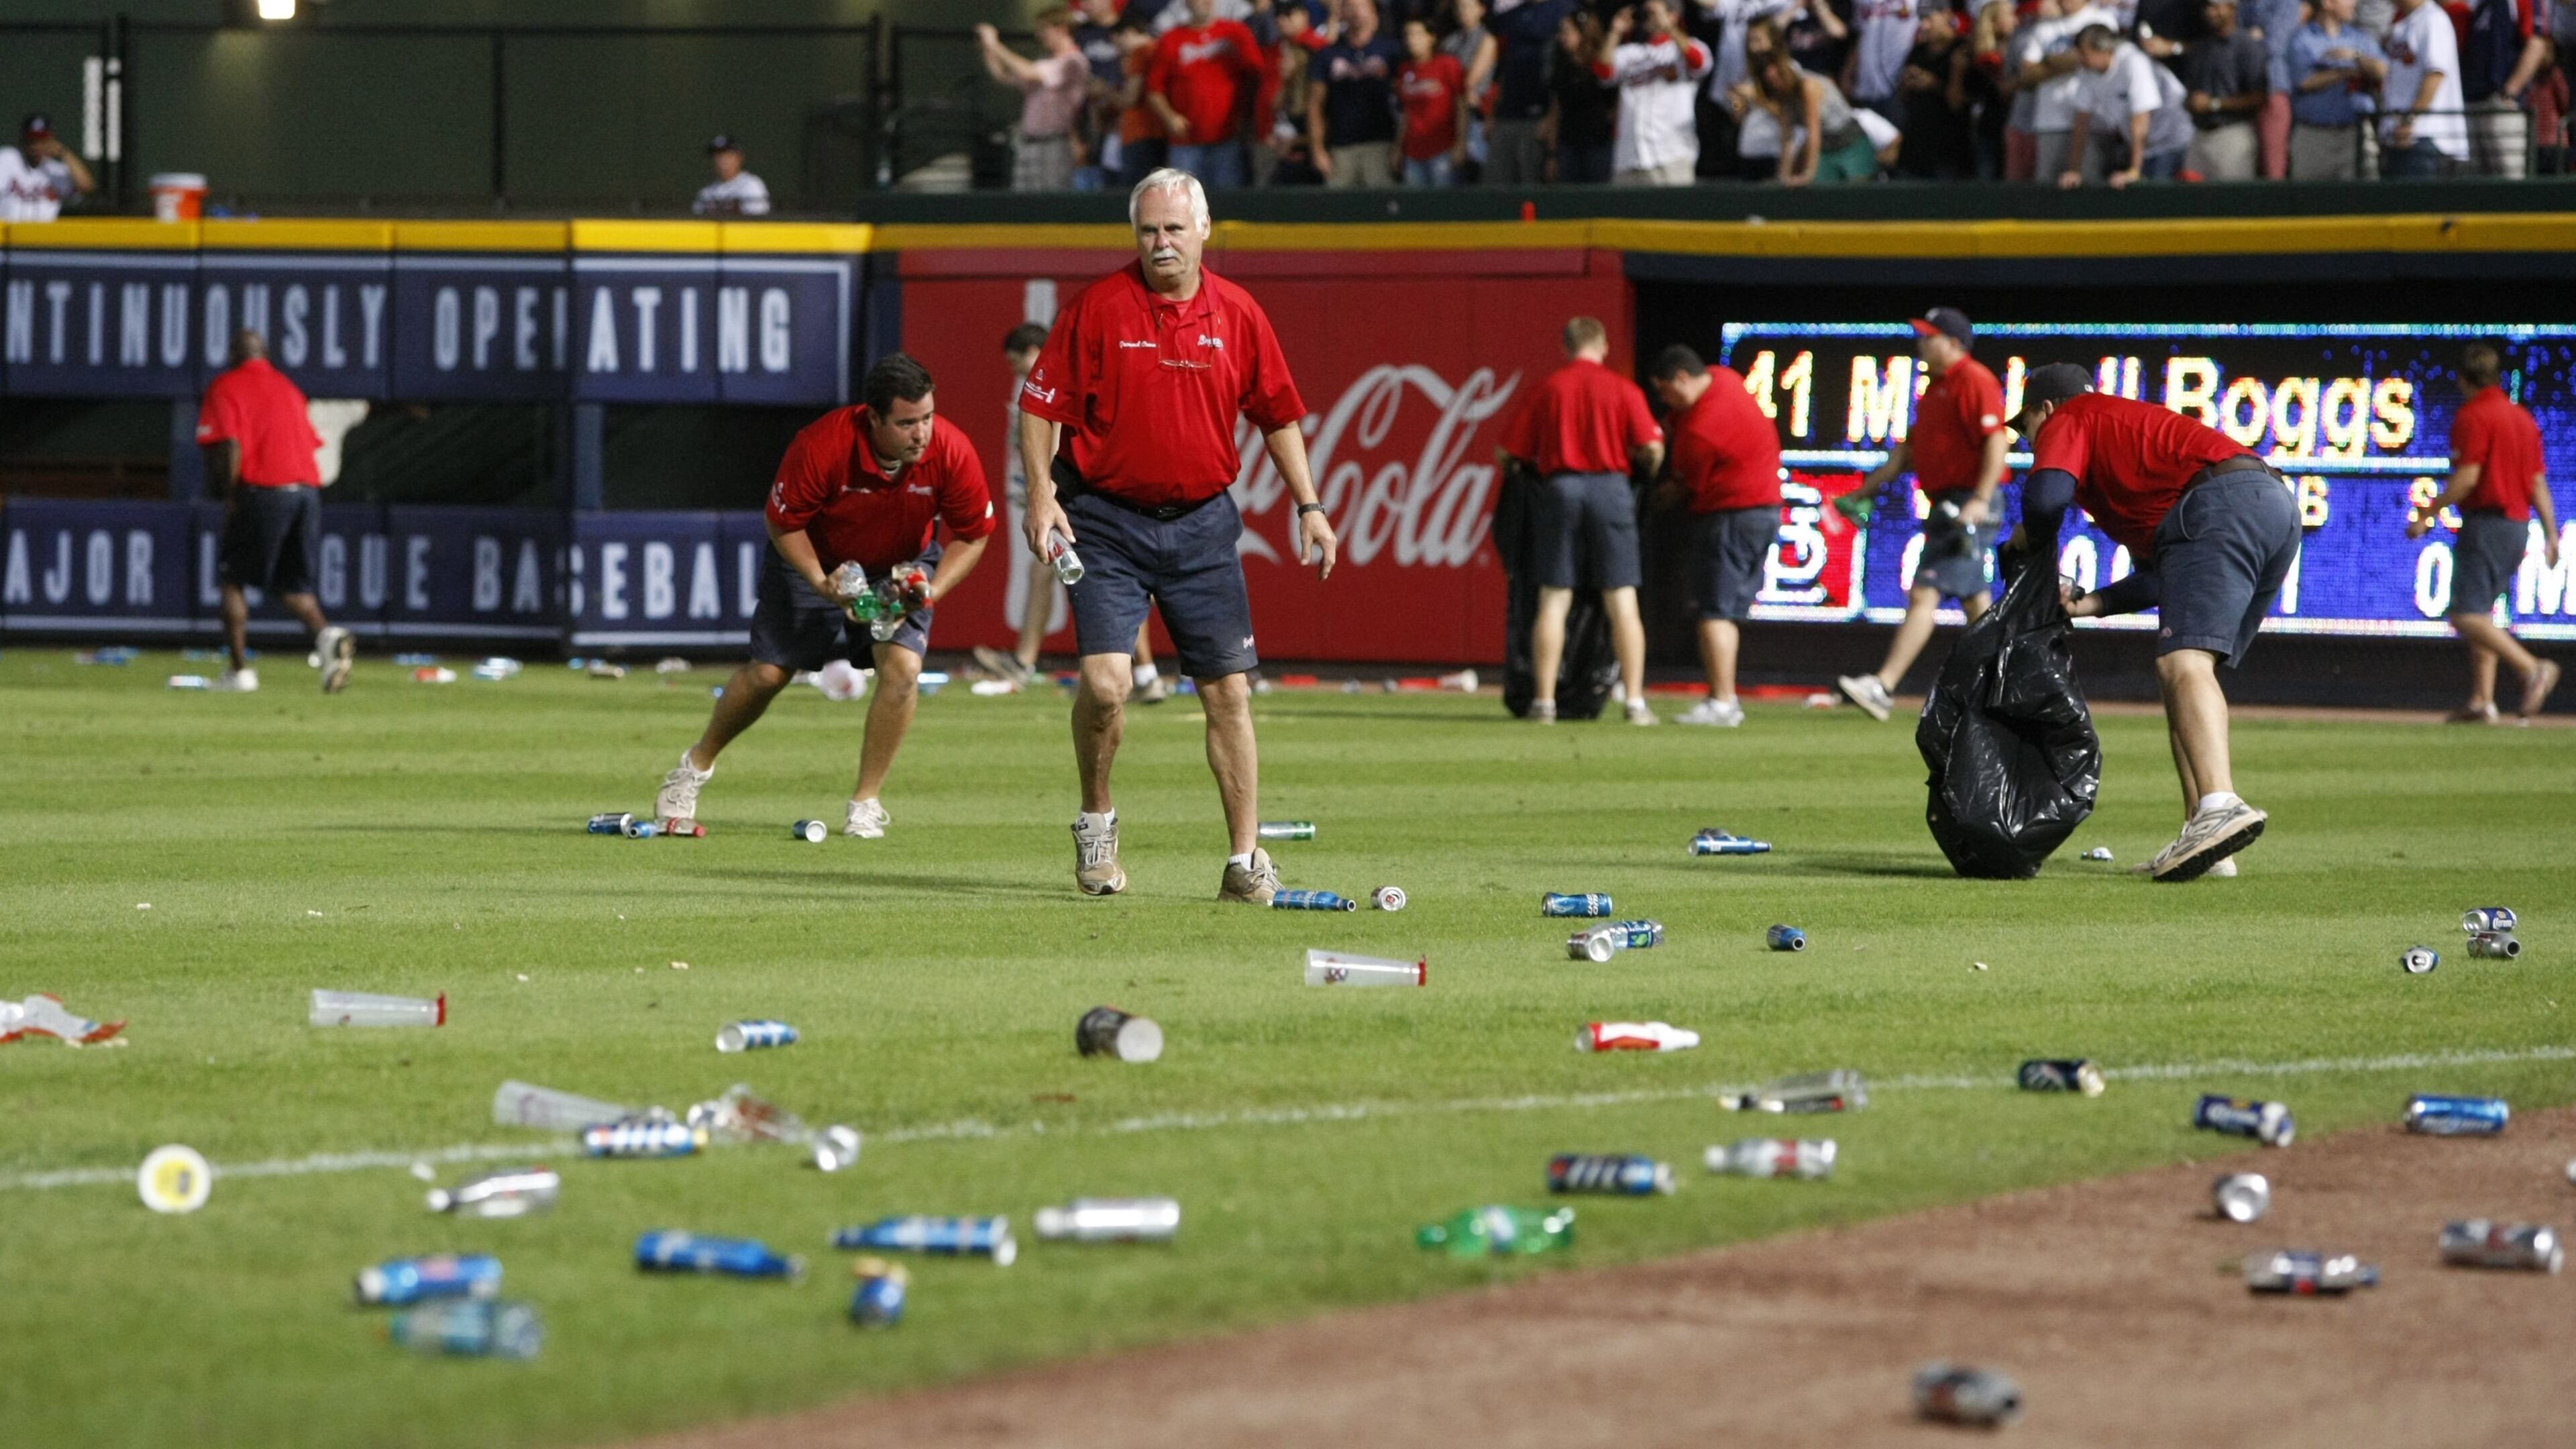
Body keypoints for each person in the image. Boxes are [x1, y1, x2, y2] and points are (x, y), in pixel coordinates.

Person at [1016, 169, 1336, 902]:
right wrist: (1042, 495)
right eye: (1149, 231)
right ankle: (1097, 821)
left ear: (1204, 231)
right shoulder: (1097, 308)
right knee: (1104, 684)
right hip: (1104, 521)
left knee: (1228, 692)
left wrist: (1309, 505)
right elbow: (1038, 407)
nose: (1161, 243)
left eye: (1174, 229)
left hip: (1201, 527)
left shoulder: (1240, 313)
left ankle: (1245, 860)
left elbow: (1278, 414)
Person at [655, 354, 994, 839]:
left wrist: (932, 590)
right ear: (873, 417)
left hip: (901, 566)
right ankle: (694, 767)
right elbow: (783, 522)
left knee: (903, 670)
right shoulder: (823, 445)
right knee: (769, 673)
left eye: (927, 418)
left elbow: (975, 533)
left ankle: (866, 802)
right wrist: (819, 581)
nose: (921, 433)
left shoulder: (950, 449)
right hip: (819, 558)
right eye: (906, 423)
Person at [2006, 362, 2300, 881]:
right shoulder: (2124, 439)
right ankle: (2206, 838)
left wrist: (2023, 542)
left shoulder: (2071, 416)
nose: (2031, 443)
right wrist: (2088, 605)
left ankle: (2220, 804)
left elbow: (2046, 498)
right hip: (2272, 506)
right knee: (2184, 669)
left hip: (2219, 504)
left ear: (2044, 409)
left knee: (2182, 662)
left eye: (2026, 428)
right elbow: (2158, 579)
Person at [977, 325, 1171, 702]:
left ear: (1035, 350)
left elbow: (1061, 443)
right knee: (1056, 574)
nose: (1018, 371)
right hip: (1069, 492)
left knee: (1123, 581)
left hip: (1076, 494)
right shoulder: (1057, 380)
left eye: (1020, 362)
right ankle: (1141, 673)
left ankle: (1147, 673)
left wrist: (1048, 493)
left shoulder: (1059, 382)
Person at [1835, 308, 2009, 722]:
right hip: (1948, 503)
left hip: (1969, 502)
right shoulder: (1936, 389)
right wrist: (1862, 492)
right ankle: (2009, 686)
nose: (1921, 343)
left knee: (1924, 592)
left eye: (1930, 337)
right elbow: (1906, 455)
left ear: (1953, 342)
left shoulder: (1974, 379)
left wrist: (1981, 500)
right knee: (1975, 602)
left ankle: (1884, 685)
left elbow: (1997, 441)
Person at [1497, 316, 1666, 726]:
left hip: (1560, 491)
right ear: (1604, 345)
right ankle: (1636, 703)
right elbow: (1651, 446)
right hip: (1611, 491)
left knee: (1554, 598)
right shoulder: (1623, 389)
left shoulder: (1548, 388)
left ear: (1566, 346)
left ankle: (1544, 702)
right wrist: (1645, 471)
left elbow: (1508, 455)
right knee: (1622, 600)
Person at [2408, 342, 2563, 722]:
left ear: (2463, 379)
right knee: (2482, 612)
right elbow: (2538, 482)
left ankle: (2532, 668)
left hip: (2488, 523)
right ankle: (2482, 701)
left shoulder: (2473, 416)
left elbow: (2467, 478)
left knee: (2464, 615)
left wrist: (2428, 512)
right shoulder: (2522, 418)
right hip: (2516, 526)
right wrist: (2551, 533)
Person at [197, 329, 352, 696]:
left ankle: (240, 673)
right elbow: (311, 443)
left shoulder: (227, 386)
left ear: (235, 353)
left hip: (263, 489)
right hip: (306, 491)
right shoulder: (288, 387)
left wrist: (232, 494)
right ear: (266, 354)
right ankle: (329, 640)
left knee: (233, 578)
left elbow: (231, 443)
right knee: (291, 586)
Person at [1650, 345, 1782, 727]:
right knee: (1725, 612)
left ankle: (1723, 702)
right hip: (1766, 511)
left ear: (1682, 379)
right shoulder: (1725, 378)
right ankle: (1723, 698)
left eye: (1665, 391)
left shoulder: (1699, 430)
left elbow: (1684, 485)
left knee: (1714, 612)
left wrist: (1651, 501)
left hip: (1732, 515)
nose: (1664, 400)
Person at [1148, 0, 1270, 186]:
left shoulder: (1235, 32)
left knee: (1227, 202)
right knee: (1183, 198)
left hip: (1227, 136)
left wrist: (1249, 118)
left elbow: (1257, 74)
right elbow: (1154, 89)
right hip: (1186, 140)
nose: (1206, 3)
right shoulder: (1172, 38)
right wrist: (1169, 117)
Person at [1597, 0, 1716, 185]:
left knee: (1675, 214)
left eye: (1653, 12)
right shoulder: (1631, 53)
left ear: (1673, 15)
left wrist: (1669, 27)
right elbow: (1603, 73)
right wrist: (1616, 31)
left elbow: (1699, 62)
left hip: (1672, 155)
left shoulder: (1688, 47)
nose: (1648, 17)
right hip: (1629, 157)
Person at [2059, 23, 2193, 186]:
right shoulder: (2088, 71)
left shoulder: (2134, 62)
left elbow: (2141, 117)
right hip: (2145, 147)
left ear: (2105, 51)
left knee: (2156, 201)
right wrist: (2074, 171)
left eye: (2085, 54)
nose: (2080, 59)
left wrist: (2134, 171)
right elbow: (2081, 120)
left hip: (2174, 141)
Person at [978, 11, 1093, 191]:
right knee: (1024, 203)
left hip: (1054, 144)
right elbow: (1003, 77)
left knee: (1050, 200)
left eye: (1044, 30)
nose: (1040, 36)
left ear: (1061, 30)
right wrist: (988, 49)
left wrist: (996, 45)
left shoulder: (1073, 62)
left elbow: (1029, 72)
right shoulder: (1045, 62)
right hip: (1029, 142)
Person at [2287, 0, 2389, 178]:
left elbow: (2383, 70)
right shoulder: (2303, 38)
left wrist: (2356, 57)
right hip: (2313, 135)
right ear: (2328, 3)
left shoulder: (2358, 38)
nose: (2354, 4)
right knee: (2309, 201)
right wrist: (2346, 72)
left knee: (2355, 201)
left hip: (2353, 133)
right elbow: (2304, 82)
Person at [1485, 0, 1580, 183]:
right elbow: (1502, 66)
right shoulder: (1513, 14)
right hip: (1508, 113)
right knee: (1496, 184)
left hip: (1539, 116)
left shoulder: (1565, 9)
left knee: (1532, 186)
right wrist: (1492, 111)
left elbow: (1564, 70)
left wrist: (1551, 118)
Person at [1312, 0, 1404, 185]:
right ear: (1342, 13)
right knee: (1339, 210)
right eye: (1351, 7)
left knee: (1381, 208)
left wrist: (1399, 147)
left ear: (1373, 13)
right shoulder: (1328, 54)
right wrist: (1318, 150)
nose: (1357, 13)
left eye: (1362, 6)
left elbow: (1406, 103)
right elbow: (1315, 105)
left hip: (1380, 145)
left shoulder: (1391, 51)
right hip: (1341, 148)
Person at [1756, 51, 1884, 181]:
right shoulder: (1782, 98)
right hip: (1826, 148)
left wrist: (1808, 174)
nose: (1777, 84)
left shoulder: (1808, 85)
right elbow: (1787, 140)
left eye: (1779, 77)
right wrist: (1782, 178)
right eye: (1771, 81)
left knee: (1858, 193)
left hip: (1852, 141)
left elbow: (1814, 132)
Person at [2180, 0, 2272, 179]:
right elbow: (2191, 92)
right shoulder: (2201, 47)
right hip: (2200, 134)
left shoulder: (2247, 46)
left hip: (2233, 134)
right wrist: (2192, 102)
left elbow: (2260, 97)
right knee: (2190, 199)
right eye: (2208, 7)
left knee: (2233, 201)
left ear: (2232, 8)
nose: (2211, 12)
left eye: (2216, 6)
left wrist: (2214, 104)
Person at [2381, 0, 2471, 176]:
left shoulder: (2433, 19)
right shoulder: (2404, 24)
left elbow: (2435, 74)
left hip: (2424, 136)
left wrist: (2409, 121)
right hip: (2400, 135)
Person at [1896, 6, 1980, 178]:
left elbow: (1959, 104)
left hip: (1948, 153)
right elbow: (1902, 98)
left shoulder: (1962, 50)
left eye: (1930, 20)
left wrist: (1935, 84)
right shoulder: (1918, 51)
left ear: (1947, 15)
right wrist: (1907, 82)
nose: (1925, 26)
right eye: (1922, 20)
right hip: (1914, 152)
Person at [1546, 9, 1622, 179]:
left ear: (1583, 33)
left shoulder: (1601, 64)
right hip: (1569, 145)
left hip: (1599, 144)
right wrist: (1552, 154)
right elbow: (1556, 109)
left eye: (1567, 32)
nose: (1561, 37)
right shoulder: (1563, 68)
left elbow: (1616, 104)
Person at [1399, 16, 1472, 182]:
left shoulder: (1448, 65)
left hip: (1443, 149)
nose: (1412, 40)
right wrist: (1399, 148)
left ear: (1431, 37)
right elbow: (1406, 113)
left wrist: (1461, 144)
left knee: (1444, 204)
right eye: (1408, 35)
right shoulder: (1405, 70)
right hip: (1414, 151)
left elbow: (1461, 105)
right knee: (1416, 205)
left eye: (1417, 34)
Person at [0, 113, 95, 223]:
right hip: (8, 235)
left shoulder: (55, 170)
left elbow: (87, 187)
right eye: (32, 140)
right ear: (23, 140)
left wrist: (64, 153)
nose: (37, 145)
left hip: (43, 236)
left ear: (51, 141)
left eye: (42, 140)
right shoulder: (7, 158)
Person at [1847, 0, 1925, 124]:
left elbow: (1927, 29)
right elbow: (1862, 35)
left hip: (1897, 86)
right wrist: (1848, 72)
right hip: (1865, 84)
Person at [691, 135, 771, 217]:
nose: (722, 161)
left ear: (739, 158)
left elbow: (757, 222)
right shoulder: (707, 193)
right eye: (717, 156)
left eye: (727, 155)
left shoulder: (751, 185)